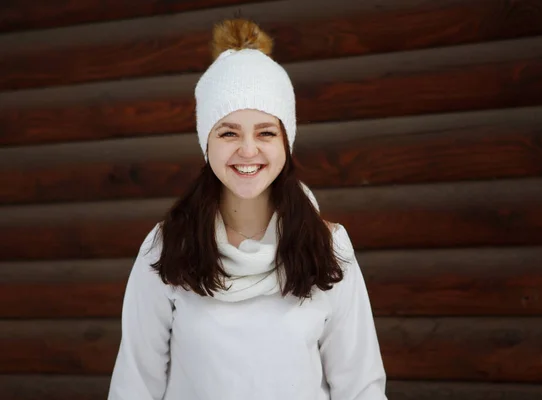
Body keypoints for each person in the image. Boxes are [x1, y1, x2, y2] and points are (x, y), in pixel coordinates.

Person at [107, 18, 387, 400]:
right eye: (229, 132)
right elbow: (135, 386)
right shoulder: (168, 245)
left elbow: (361, 389)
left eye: (266, 132)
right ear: (207, 142)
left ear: (286, 142)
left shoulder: (328, 245)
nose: (248, 150)